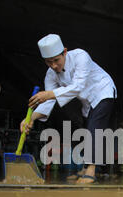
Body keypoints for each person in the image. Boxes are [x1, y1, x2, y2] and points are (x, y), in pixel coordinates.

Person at [20, 34, 117, 184]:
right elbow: (48, 101)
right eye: (48, 62)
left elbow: (77, 87)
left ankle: (91, 170)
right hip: (87, 101)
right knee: (86, 131)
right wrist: (30, 118)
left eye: (56, 60)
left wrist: (49, 94)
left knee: (95, 128)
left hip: (103, 91)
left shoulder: (80, 56)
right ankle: (85, 168)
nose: (53, 66)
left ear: (64, 52)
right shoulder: (51, 75)